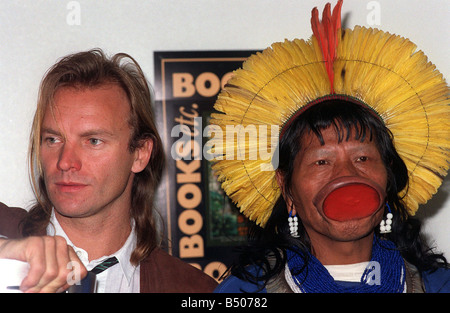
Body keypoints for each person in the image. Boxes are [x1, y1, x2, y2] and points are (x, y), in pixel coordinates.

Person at [210, 0, 449, 292]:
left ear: (388, 178)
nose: (346, 175)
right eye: (322, 161)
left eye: (362, 157)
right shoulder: (242, 293)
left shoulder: (439, 285)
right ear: (287, 188)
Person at [0, 49, 217, 293]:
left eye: (93, 141)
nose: (64, 162)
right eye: (53, 139)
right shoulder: (4, 235)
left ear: (140, 154)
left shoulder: (194, 289)